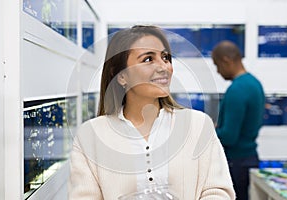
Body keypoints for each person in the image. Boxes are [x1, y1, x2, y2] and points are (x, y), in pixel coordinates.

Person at [68, 25, 235, 199]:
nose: (164, 67)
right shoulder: (90, 136)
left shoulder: (199, 125)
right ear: (121, 76)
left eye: (165, 57)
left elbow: (218, 192)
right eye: (148, 59)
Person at [212, 40, 265, 200]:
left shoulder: (237, 90)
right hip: (249, 159)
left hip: (236, 162)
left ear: (226, 60)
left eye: (217, 65)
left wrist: (211, 130)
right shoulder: (254, 84)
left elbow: (229, 136)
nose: (218, 71)